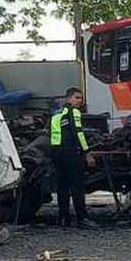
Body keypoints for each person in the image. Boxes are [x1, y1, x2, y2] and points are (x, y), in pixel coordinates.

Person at [50, 87, 96, 229]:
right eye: (77, 97)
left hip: (57, 155)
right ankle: (82, 219)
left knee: (62, 188)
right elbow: (78, 133)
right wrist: (87, 153)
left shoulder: (56, 113)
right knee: (77, 187)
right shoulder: (74, 112)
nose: (80, 101)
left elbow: (53, 136)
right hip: (71, 155)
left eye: (81, 98)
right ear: (69, 98)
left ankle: (64, 219)